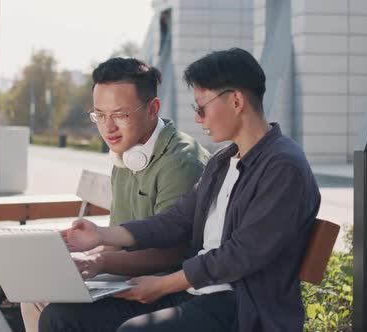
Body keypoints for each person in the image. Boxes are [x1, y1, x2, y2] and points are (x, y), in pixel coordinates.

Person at [50, 48, 322, 332]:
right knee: (62, 316)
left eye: (201, 107)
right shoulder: (222, 161)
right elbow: (176, 220)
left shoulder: (282, 167)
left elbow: (241, 256)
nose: (198, 119)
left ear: (237, 100)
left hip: (241, 306)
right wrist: (101, 235)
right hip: (196, 293)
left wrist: (162, 285)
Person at [20, 57, 210, 332]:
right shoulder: (126, 155)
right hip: (129, 275)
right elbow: (115, 241)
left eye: (120, 115)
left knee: (57, 312)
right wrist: (75, 261)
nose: (108, 127)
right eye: (100, 115)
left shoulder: (181, 162)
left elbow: (170, 253)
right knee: (35, 294)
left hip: (166, 285)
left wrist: (98, 261)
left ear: (152, 109)